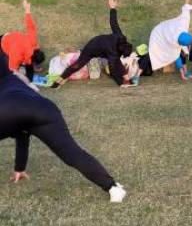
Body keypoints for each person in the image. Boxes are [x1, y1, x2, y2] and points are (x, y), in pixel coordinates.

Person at [0, 52, 126, 203]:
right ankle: (113, 188)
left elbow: (18, 122)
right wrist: (20, 168)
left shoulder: (6, 83)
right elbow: (22, 133)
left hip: (11, 107)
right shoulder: (16, 81)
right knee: (73, 153)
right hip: (45, 108)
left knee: (21, 122)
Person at [51, 0, 133, 89]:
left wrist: (112, 8)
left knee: (117, 62)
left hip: (100, 43)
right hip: (91, 48)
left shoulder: (120, 36)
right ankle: (57, 82)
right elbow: (113, 70)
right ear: (120, 51)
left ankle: (128, 79)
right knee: (77, 65)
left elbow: (113, 23)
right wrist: (121, 83)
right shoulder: (113, 52)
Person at [148, 0, 192, 81]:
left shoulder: (183, 25)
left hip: (170, 30)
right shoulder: (172, 43)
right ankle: (183, 71)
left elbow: (185, 11)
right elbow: (176, 57)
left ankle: (185, 70)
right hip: (158, 34)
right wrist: (182, 74)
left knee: (183, 53)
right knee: (172, 54)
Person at [0, 0, 45, 82]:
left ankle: (30, 74)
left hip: (12, 38)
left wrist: (27, 11)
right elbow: (12, 70)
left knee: (27, 65)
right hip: (3, 44)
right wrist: (26, 81)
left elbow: (31, 27)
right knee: (5, 67)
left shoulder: (33, 41)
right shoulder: (16, 54)